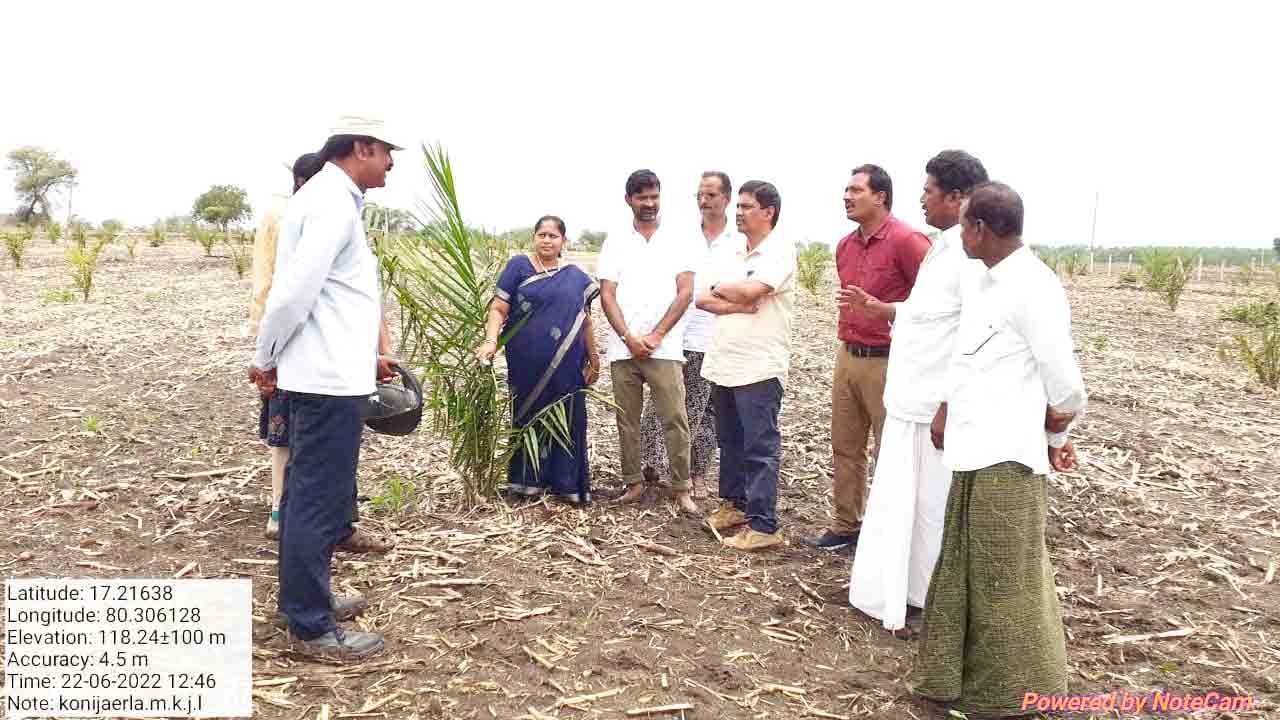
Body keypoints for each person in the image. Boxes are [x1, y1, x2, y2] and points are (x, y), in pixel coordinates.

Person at [910, 182, 1086, 716]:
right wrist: (947, 411)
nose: (959, 233)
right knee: (966, 568)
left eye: (964, 224)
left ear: (982, 229)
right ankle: (956, 679)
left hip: (1008, 458)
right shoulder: (985, 281)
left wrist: (1055, 437)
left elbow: (1067, 387)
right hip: (973, 451)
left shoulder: (1034, 288)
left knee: (1006, 579)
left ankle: (1018, 694)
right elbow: (968, 362)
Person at [249, 115, 404, 659]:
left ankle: (304, 600)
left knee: (310, 497)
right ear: (360, 147)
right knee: (314, 499)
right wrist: (265, 358)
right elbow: (292, 295)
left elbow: (334, 301)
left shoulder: (334, 200)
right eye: (386, 151)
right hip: (322, 382)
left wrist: (368, 358)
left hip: (333, 374)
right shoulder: (330, 202)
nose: (391, 162)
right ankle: (311, 627)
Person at [843, 150, 988, 633]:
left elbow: (970, 334)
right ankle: (898, 593)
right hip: (910, 399)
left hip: (934, 406)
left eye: (928, 190)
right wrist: (883, 310)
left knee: (929, 510)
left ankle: (925, 598)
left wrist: (948, 401)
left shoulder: (971, 257)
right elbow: (928, 316)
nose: (921, 198)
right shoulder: (944, 246)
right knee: (905, 503)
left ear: (957, 197)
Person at [806, 165, 930, 551]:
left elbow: (932, 304)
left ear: (881, 196)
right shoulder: (844, 246)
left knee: (890, 450)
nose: (847, 196)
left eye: (856, 189)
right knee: (845, 445)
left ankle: (889, 532)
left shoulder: (909, 241)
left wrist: (885, 309)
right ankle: (846, 525)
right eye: (846, 189)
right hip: (848, 355)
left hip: (890, 359)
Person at [698, 180, 796, 551]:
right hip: (724, 361)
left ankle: (763, 525)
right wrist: (733, 295)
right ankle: (734, 506)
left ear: (768, 212)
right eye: (737, 206)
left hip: (759, 366)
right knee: (731, 442)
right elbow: (702, 299)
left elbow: (755, 292)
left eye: (746, 207)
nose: (737, 213)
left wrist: (728, 290)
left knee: (759, 447)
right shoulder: (730, 251)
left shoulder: (780, 251)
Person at [475, 216, 601, 504]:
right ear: (534, 238)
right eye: (541, 234)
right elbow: (498, 309)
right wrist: (491, 341)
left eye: (553, 236)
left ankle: (568, 484)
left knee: (568, 417)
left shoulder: (575, 277)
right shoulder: (518, 266)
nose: (546, 240)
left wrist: (594, 358)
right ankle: (526, 482)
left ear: (563, 242)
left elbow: (586, 321)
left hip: (569, 365)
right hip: (525, 362)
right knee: (527, 414)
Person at [598, 169, 700, 515]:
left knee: (674, 417)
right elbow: (607, 295)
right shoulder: (615, 242)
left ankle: (682, 488)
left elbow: (685, 291)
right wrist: (629, 336)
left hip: (665, 347)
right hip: (623, 347)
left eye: (654, 196)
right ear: (629, 200)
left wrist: (656, 336)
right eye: (642, 197)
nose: (650, 204)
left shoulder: (679, 239)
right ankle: (633, 483)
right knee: (627, 419)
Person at [638, 171, 734, 499]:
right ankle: (650, 464)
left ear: (727, 199)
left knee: (703, 409)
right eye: (699, 196)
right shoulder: (680, 236)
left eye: (711, 195)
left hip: (715, 337)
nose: (704, 202)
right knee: (661, 402)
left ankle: (696, 473)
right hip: (676, 333)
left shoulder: (738, 241)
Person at [250, 152, 325, 539]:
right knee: (283, 430)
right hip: (286, 338)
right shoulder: (281, 216)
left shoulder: (339, 213)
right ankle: (280, 508)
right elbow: (267, 282)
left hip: (321, 343)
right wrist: (264, 346)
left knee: (311, 430)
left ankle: (311, 509)